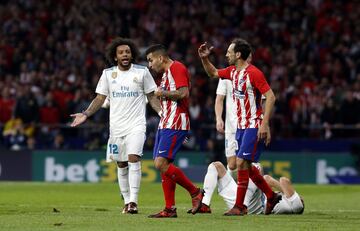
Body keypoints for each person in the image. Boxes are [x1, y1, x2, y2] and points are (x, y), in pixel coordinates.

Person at [70, 37, 161, 214]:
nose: (125, 54)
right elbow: (100, 98)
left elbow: (152, 96)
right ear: (115, 56)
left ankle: (134, 201)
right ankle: (126, 201)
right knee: (121, 164)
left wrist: (163, 114)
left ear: (132, 54)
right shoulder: (107, 74)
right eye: (121, 52)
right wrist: (86, 113)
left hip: (137, 124)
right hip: (117, 128)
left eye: (127, 52)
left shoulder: (142, 72)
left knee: (134, 157)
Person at [198, 38, 281, 216]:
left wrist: (265, 124)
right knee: (247, 167)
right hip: (240, 126)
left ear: (238, 54)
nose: (226, 54)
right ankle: (271, 196)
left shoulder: (254, 73)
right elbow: (213, 73)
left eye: (229, 51)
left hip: (253, 124)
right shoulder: (232, 72)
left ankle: (240, 206)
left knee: (241, 163)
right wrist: (205, 59)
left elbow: (271, 96)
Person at [145, 44, 203, 218]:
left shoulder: (177, 67)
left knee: (160, 164)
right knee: (163, 166)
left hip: (176, 122)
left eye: (151, 60)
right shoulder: (165, 75)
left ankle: (195, 192)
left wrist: (162, 93)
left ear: (161, 58)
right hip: (166, 122)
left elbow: (183, 93)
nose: (150, 65)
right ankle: (169, 208)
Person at [191, 162, 304, 215]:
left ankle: (240, 207)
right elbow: (267, 179)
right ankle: (204, 205)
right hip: (240, 199)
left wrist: (293, 194)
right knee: (216, 166)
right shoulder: (289, 205)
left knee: (256, 167)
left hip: (253, 207)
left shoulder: (296, 205)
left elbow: (282, 180)